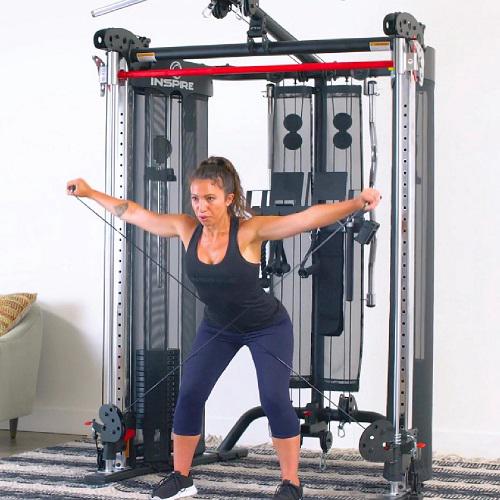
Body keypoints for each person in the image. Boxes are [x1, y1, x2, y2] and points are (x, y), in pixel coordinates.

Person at [67, 156, 380, 500]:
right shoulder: (187, 229)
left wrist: (356, 203)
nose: (201, 207)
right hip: (218, 327)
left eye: (210, 199)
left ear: (229, 199)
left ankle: (291, 483)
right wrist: (90, 192)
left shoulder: (249, 231)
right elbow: (135, 213)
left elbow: (306, 219)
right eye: (195, 198)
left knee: (274, 398)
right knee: (189, 394)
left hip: (266, 327)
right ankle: (181, 477)